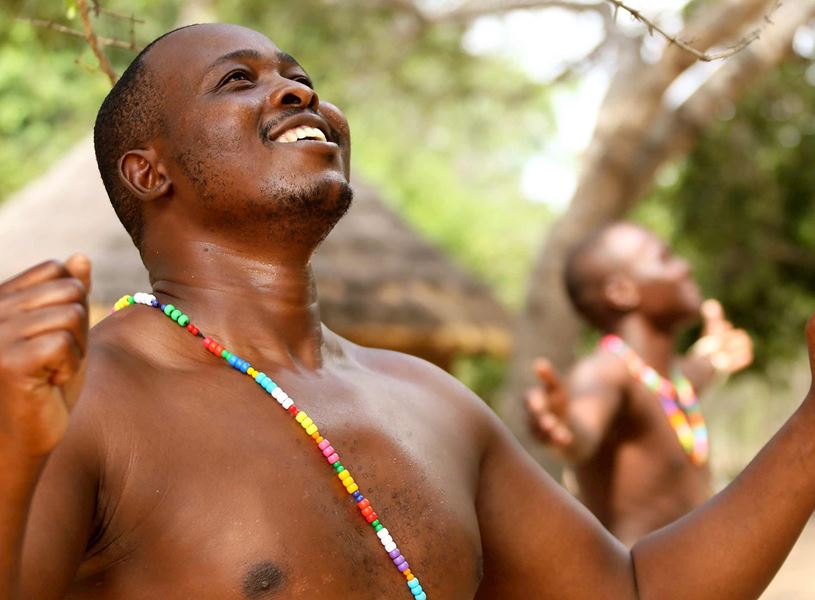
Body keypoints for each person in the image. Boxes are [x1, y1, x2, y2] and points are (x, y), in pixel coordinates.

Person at [1, 23, 814, 600]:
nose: (296, 89)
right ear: (150, 173)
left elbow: (633, 591)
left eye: (296, 75)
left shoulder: (430, 401)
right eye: (237, 80)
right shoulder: (80, 404)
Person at [524, 222, 753, 545]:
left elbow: (701, 368)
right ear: (621, 292)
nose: (684, 266)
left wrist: (718, 353)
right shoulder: (605, 372)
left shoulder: (670, 379)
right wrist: (565, 427)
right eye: (665, 258)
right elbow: (582, 429)